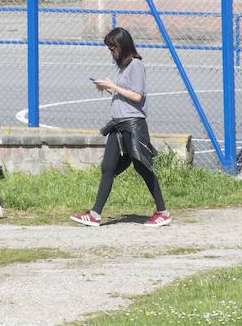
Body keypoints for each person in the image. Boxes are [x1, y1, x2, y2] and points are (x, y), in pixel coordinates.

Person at [69, 27, 171, 228]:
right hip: (117, 126)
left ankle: (163, 212)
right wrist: (108, 88)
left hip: (133, 125)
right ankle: (95, 214)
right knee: (108, 168)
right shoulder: (122, 67)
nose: (111, 52)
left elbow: (137, 96)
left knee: (143, 167)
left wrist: (114, 87)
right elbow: (124, 97)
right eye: (109, 48)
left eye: (113, 48)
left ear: (123, 46)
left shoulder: (136, 65)